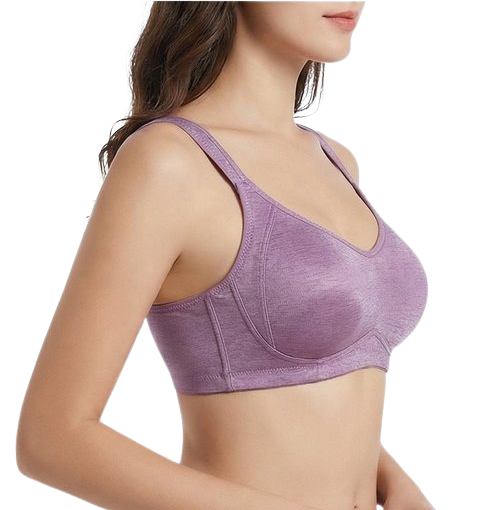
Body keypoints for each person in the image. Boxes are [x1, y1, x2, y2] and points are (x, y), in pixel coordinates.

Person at [16, 2, 436, 509]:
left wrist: (394, 483)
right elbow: (51, 439)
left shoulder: (335, 160)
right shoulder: (169, 163)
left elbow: (324, 396)